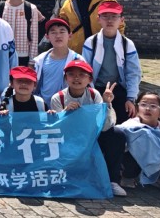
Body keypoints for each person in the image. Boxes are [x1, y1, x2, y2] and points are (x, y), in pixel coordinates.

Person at [48, 59, 126, 197]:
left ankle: (113, 180)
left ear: (90, 79)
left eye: (82, 75)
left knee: (117, 134)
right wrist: (65, 114)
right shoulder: (58, 98)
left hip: (92, 135)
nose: (76, 78)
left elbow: (105, 126)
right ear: (65, 78)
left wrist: (106, 104)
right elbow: (57, 130)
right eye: (71, 74)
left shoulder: (94, 95)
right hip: (69, 138)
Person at [82, 1, 142, 124]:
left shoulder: (127, 44)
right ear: (98, 19)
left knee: (123, 123)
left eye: (114, 16)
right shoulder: (91, 42)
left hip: (119, 89)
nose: (109, 20)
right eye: (105, 16)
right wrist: (89, 92)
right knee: (95, 124)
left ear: (121, 20)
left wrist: (131, 98)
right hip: (96, 88)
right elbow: (85, 70)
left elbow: (133, 73)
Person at [117, 92, 160, 192]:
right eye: (143, 104)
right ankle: (127, 177)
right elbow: (117, 146)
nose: (148, 109)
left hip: (157, 161)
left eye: (153, 106)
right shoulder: (128, 126)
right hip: (134, 160)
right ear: (137, 109)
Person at [31, 18, 83, 107]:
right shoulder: (39, 61)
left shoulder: (78, 60)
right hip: (43, 109)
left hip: (68, 108)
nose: (58, 36)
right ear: (47, 37)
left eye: (62, 32)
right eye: (53, 32)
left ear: (70, 35)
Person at [0, 0, 44, 65]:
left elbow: (34, 37)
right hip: (2, 53)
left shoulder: (31, 8)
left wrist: (32, 61)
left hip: (23, 55)